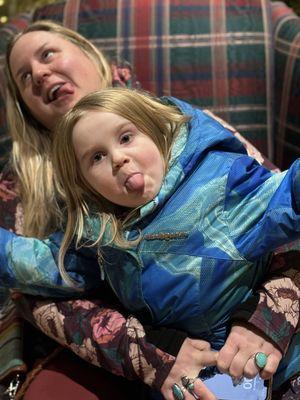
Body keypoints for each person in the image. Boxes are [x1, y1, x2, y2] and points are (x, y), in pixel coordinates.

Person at [1, 20, 299, 399]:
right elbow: (42, 277)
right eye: (25, 76)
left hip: (261, 336)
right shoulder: (44, 201)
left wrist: (267, 320)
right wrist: (153, 351)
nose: (40, 73)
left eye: (47, 54)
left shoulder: (184, 130)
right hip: (161, 361)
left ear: (87, 53)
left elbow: (279, 201)